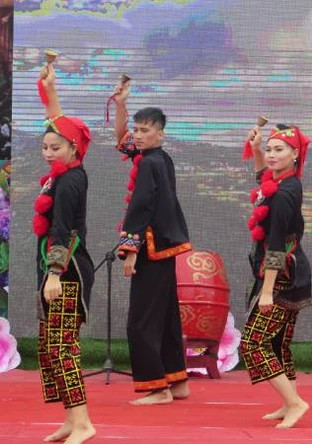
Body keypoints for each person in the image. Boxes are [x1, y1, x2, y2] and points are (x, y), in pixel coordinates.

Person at [113, 80, 192, 405]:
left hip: (150, 248)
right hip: (164, 247)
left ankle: (157, 388)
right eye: (137, 129)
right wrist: (121, 104)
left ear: (160, 134)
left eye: (145, 130)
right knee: (167, 318)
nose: (137, 135)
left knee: (141, 321)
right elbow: (121, 140)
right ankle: (177, 381)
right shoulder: (159, 158)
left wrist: (130, 251)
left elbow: (141, 207)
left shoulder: (148, 163)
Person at [34, 61, 96, 443]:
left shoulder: (71, 180)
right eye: (44, 146)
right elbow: (58, 122)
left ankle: (84, 423)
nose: (47, 152)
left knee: (63, 348)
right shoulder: (63, 171)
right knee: (52, 348)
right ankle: (72, 421)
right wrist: (51, 91)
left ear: (74, 148)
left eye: (55, 147)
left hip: (67, 270)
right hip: (56, 268)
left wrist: (55, 273)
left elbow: (63, 230)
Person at [239, 123, 312, 428]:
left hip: (282, 274)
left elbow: (276, 245)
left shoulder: (284, 194)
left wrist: (267, 292)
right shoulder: (281, 182)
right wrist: (257, 149)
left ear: (295, 154)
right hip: (289, 272)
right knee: (278, 342)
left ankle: (295, 403)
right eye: (269, 149)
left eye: (278, 150)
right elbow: (263, 178)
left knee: (253, 344)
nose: (271, 155)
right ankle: (288, 402)